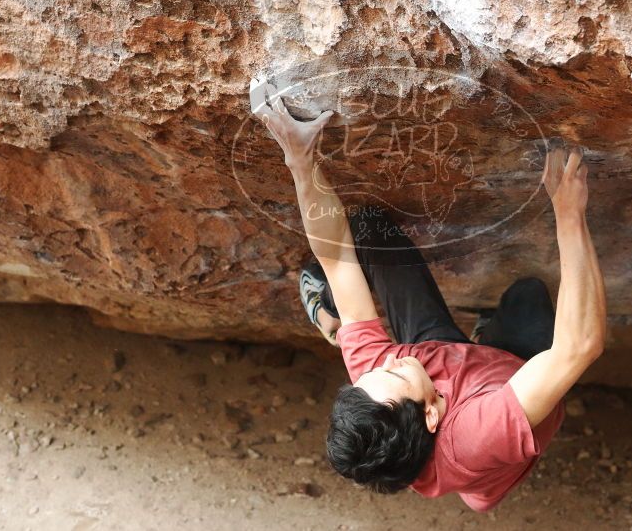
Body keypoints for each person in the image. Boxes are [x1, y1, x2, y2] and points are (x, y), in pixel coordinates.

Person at [251, 79, 607, 512]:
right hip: (493, 390)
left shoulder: (381, 375)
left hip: (443, 354)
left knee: (369, 232)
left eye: (367, 375)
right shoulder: (478, 433)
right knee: (530, 299)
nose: (392, 361)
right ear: (432, 414)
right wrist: (569, 216)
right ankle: (484, 348)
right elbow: (580, 347)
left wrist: (300, 161)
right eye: (398, 376)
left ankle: (335, 322)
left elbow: (337, 260)